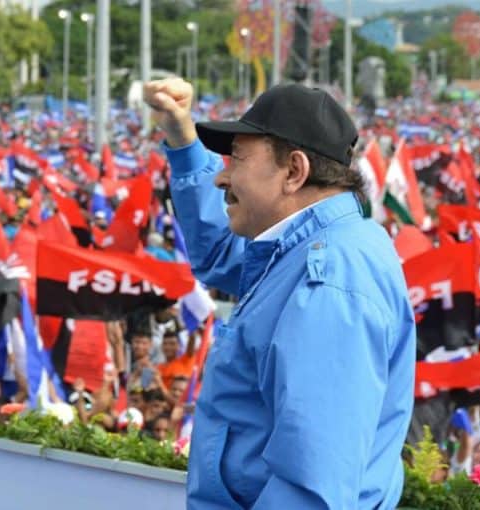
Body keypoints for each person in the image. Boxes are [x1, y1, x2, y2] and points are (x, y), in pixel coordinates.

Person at [144, 78, 415, 509]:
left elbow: (312, 489)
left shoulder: (329, 282)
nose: (222, 176)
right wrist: (181, 139)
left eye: (237, 158)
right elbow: (219, 252)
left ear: (293, 171)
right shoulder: (310, 247)